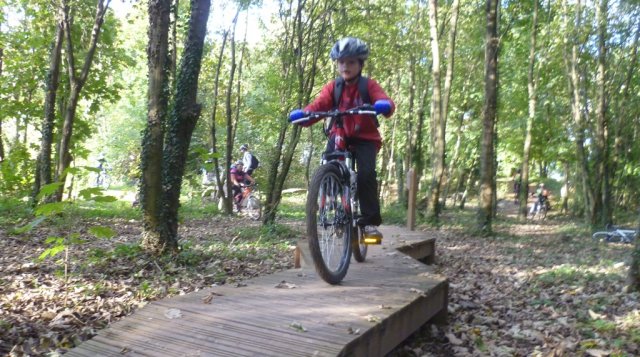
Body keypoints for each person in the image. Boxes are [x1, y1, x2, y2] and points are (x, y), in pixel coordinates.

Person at [292, 37, 395, 242]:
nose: (345, 66)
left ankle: (369, 223)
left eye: (351, 62)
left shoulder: (369, 86)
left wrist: (384, 105)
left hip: (365, 138)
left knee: (366, 174)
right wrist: (304, 115)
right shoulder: (334, 88)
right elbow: (320, 105)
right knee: (328, 165)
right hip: (340, 135)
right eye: (341, 62)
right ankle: (334, 206)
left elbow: (385, 101)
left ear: (360, 64)